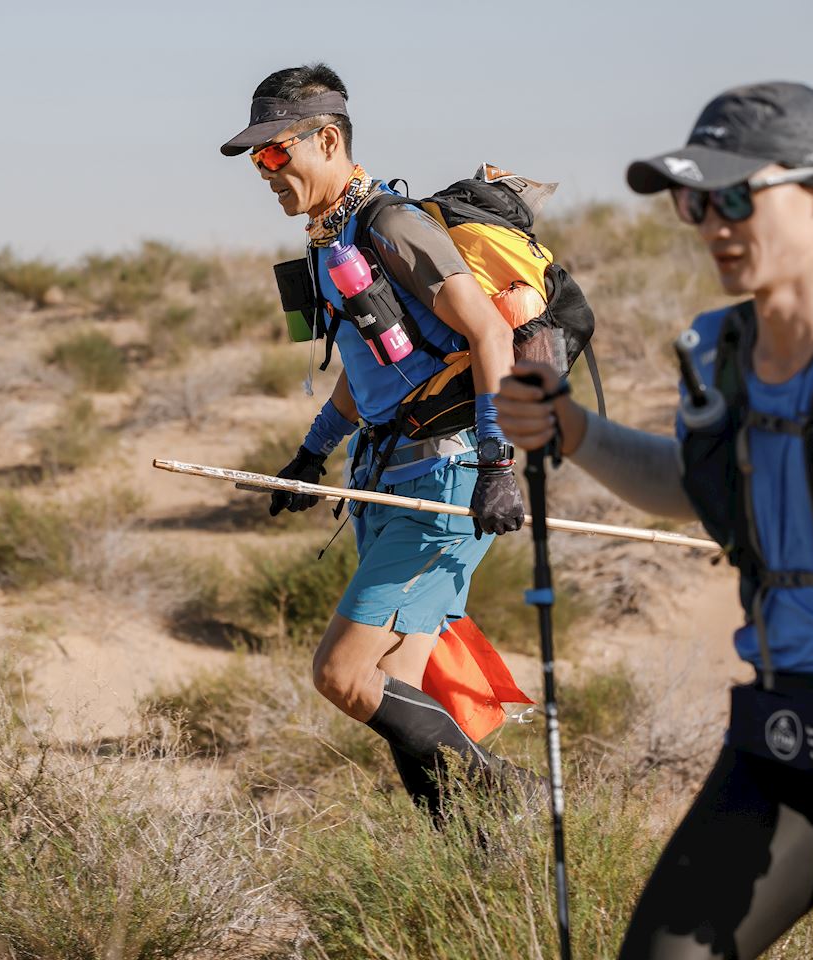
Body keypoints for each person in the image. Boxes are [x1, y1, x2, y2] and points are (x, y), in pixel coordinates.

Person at [494, 81, 813, 958]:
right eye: (693, 199)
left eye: (735, 194)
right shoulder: (724, 354)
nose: (711, 221)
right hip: (783, 737)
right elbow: (696, 486)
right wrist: (574, 429)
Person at [219, 63, 533, 816]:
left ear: (326, 139)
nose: (265, 173)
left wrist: (497, 463)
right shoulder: (331, 248)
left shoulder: (392, 226)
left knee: (344, 675)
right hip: (390, 480)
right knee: (403, 685)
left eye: (274, 153)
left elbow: (489, 332)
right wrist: (310, 452)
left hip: (448, 480)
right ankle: (471, 853)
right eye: (255, 160)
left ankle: (513, 795)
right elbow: (366, 380)